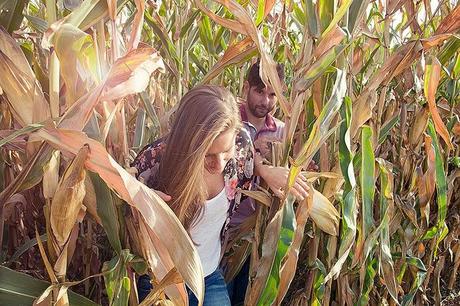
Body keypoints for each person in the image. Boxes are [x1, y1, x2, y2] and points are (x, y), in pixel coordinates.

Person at [133, 85, 310, 305]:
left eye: (226, 153)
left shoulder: (241, 143)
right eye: (207, 156)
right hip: (161, 281)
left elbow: (247, 154)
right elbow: (120, 206)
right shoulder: (154, 162)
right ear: (188, 145)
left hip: (209, 276)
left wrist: (264, 170)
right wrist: (140, 201)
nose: (219, 165)